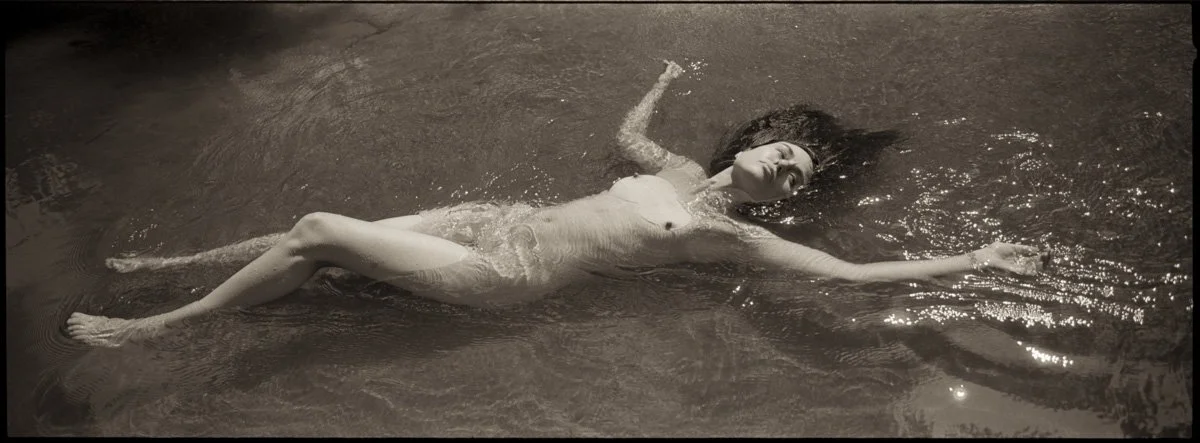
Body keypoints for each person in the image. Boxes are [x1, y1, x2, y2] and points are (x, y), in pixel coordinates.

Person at [67, 60, 1045, 347]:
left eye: (797, 178)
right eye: (785, 152)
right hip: (494, 218)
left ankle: (160, 324)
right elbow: (626, 140)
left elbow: (851, 274)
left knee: (322, 229)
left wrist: (975, 261)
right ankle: (173, 268)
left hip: (507, 271)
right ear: (756, 141)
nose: (786, 170)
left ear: (781, 197)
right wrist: (662, 80)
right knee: (307, 239)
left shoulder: (721, 236)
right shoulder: (673, 171)